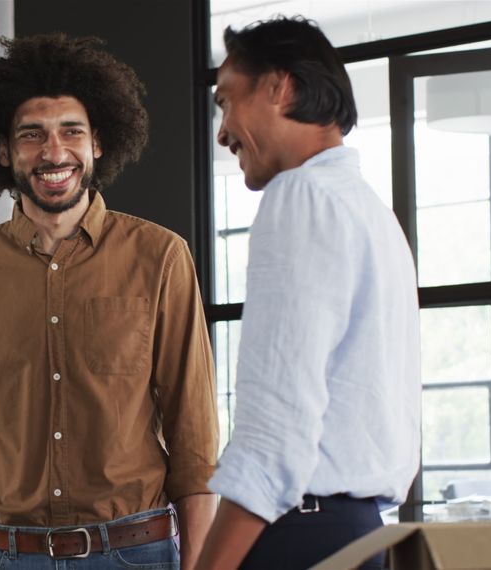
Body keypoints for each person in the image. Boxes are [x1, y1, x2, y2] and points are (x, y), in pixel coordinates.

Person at [0, 34, 219, 569]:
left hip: (134, 553)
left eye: (72, 131)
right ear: (3, 151)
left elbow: (195, 437)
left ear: (98, 143)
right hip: (5, 555)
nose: (54, 152)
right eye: (32, 135)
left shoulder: (160, 258)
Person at [196, 17, 421, 570]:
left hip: (300, 534)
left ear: (280, 86)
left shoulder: (301, 196)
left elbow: (274, 429)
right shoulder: (367, 209)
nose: (222, 132)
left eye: (227, 102)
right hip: (358, 534)